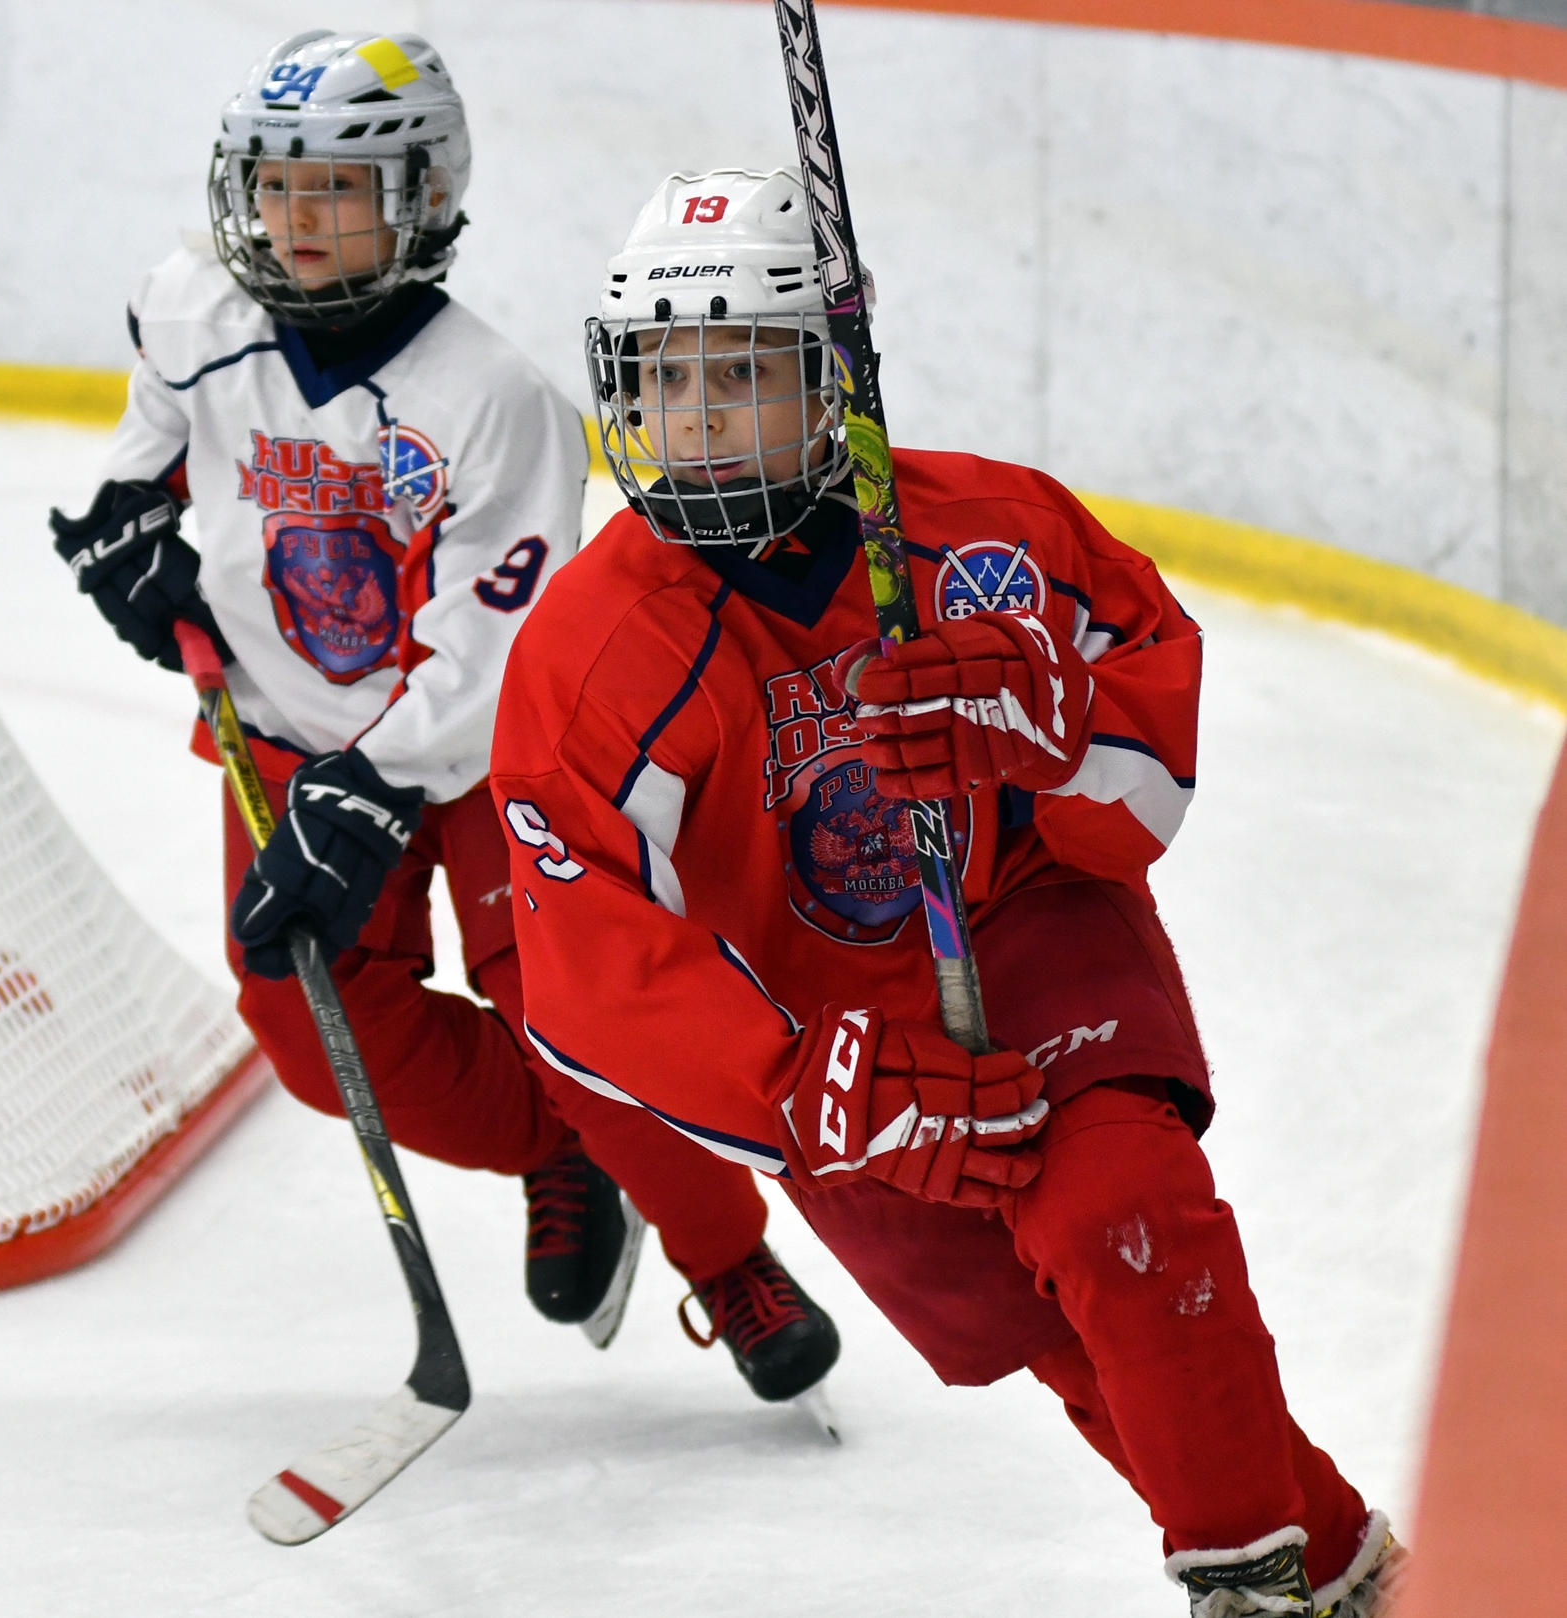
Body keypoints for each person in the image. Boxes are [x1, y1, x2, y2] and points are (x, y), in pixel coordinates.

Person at [490, 166, 1407, 1614]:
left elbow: (1139, 792)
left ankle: (1249, 1585)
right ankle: (1340, 1557)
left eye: (743, 369)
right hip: (825, 1030)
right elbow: (591, 969)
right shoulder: (595, 657)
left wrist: (1062, 728)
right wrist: (799, 1087)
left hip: (1022, 917)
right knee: (1062, 1333)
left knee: (1124, 1216)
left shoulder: (991, 536)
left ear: (833, 376)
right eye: (666, 377)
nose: (701, 413)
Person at [48, 34, 838, 1401]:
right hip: (292, 736)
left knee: (573, 1014)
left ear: (421, 196)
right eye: (278, 185)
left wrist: (381, 776)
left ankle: (724, 1255)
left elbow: (490, 647)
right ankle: (566, 1146)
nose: (297, 220)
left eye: (337, 190)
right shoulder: (194, 312)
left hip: (481, 757)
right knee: (307, 1025)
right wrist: (127, 525)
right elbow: (154, 448)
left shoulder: (499, 403)